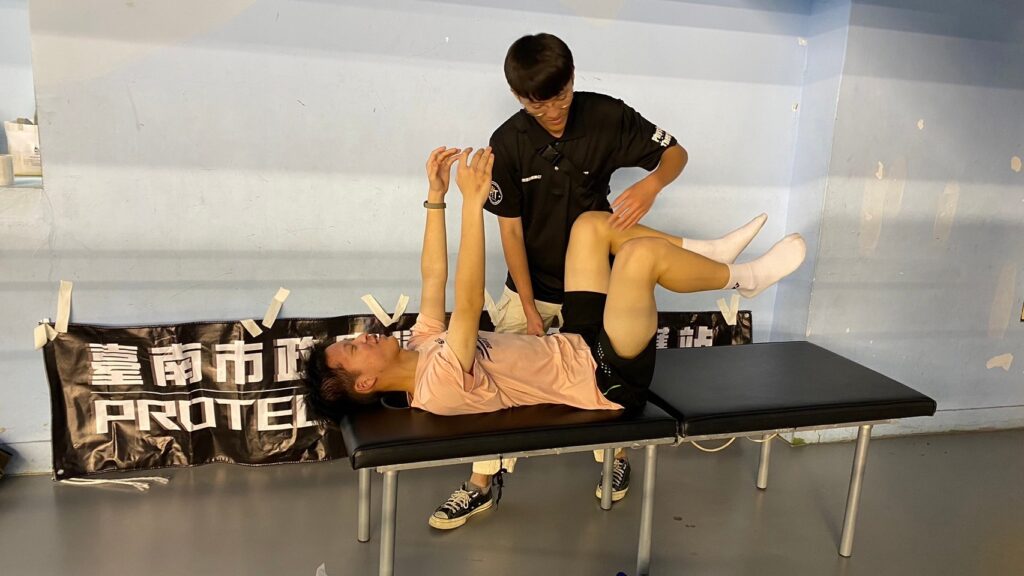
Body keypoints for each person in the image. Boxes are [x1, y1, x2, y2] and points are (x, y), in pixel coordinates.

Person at [302, 146, 806, 530]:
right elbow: (469, 298)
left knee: (590, 226)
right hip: (604, 377)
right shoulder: (438, 385)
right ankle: (745, 278)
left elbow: (434, 277)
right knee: (638, 258)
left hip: (577, 340)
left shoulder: (420, 345)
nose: (365, 337)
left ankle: (710, 253)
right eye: (354, 349)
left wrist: (436, 197)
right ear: (364, 383)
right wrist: (473, 205)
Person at [453, 32, 761, 523]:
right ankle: (481, 483)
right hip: (530, 286)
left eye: (561, 97)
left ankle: (614, 458)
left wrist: (652, 184)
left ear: (573, 79)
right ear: (518, 97)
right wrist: (529, 308)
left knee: (604, 381)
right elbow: (509, 231)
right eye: (538, 105)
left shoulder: (605, 115)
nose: (553, 112)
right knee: (488, 381)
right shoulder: (507, 143)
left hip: (595, 282)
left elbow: (676, 153)